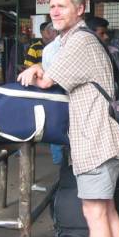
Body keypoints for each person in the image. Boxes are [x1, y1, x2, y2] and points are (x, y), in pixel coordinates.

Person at [18, 0, 119, 237]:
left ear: (80, 9)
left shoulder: (80, 41)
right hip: (104, 138)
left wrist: (36, 69)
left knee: (95, 215)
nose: (55, 11)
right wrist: (42, 64)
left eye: (62, 5)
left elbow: (47, 81)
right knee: (107, 212)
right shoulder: (77, 40)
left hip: (95, 141)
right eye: (52, 5)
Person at [40, 21, 64, 166]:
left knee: (56, 128)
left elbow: (46, 74)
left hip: (53, 96)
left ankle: (59, 162)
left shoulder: (48, 49)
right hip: (67, 94)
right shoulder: (70, 47)